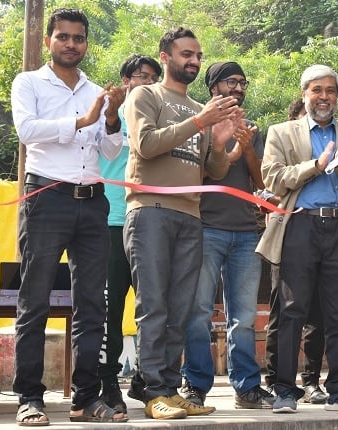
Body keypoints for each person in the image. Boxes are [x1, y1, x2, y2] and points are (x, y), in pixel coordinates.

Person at [10, 8, 128, 425]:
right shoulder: (29, 83)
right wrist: (84, 119)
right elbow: (27, 130)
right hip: (47, 198)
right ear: (49, 42)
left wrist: (111, 119)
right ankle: (29, 397)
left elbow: (112, 152)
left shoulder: (97, 90)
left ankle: (84, 399)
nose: (71, 44)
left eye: (79, 38)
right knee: (35, 300)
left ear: (86, 44)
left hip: (94, 201)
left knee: (94, 304)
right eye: (63, 37)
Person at [122, 27, 243, 420]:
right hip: (151, 211)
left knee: (182, 307)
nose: (193, 61)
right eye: (185, 54)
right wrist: (200, 122)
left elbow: (214, 170)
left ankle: (170, 389)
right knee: (154, 305)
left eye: (197, 55)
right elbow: (146, 145)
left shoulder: (199, 109)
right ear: (165, 56)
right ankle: (153, 390)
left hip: (191, 215)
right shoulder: (146, 94)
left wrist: (221, 140)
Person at [256, 64, 338, 413]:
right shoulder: (282, 132)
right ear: (304, 94)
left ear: (337, 96)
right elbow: (273, 178)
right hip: (299, 226)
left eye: (330, 91)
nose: (324, 97)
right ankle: (284, 389)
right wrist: (315, 164)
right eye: (317, 90)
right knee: (292, 310)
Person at [180, 61, 275, 409]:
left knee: (244, 317)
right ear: (213, 87)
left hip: (247, 233)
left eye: (242, 82)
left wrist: (247, 146)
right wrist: (223, 144)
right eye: (230, 82)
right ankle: (196, 385)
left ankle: (246, 388)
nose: (238, 88)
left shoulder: (252, 128)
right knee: (199, 312)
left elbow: (262, 182)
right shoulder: (197, 125)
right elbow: (196, 174)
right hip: (205, 228)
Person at [97, 53, 161, 415]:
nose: (146, 83)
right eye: (139, 76)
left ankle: (146, 382)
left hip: (149, 222)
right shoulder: (113, 115)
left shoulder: (160, 120)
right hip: (110, 222)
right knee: (109, 308)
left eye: (153, 77)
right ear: (125, 82)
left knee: (153, 308)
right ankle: (106, 383)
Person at [263, 97, 329, 405]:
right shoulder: (281, 143)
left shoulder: (331, 145)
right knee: (285, 311)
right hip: (288, 235)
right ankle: (278, 380)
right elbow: (271, 184)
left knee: (318, 313)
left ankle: (312, 380)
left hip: (324, 236)